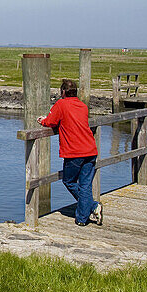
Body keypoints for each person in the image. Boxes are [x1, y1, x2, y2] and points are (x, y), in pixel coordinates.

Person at [39, 79, 102, 226]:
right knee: (85, 185)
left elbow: (52, 121)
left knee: (69, 181)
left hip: (74, 151)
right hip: (90, 149)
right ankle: (83, 217)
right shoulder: (83, 106)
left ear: (62, 92)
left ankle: (92, 207)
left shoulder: (61, 104)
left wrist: (43, 120)